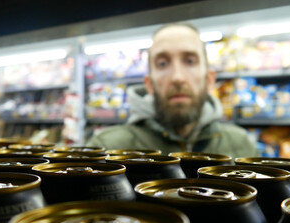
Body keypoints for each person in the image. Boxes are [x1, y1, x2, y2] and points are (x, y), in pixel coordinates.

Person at [86, 22, 260, 157]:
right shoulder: (106, 149)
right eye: (162, 63)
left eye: (190, 61)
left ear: (209, 80)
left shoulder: (242, 145)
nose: (177, 77)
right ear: (149, 84)